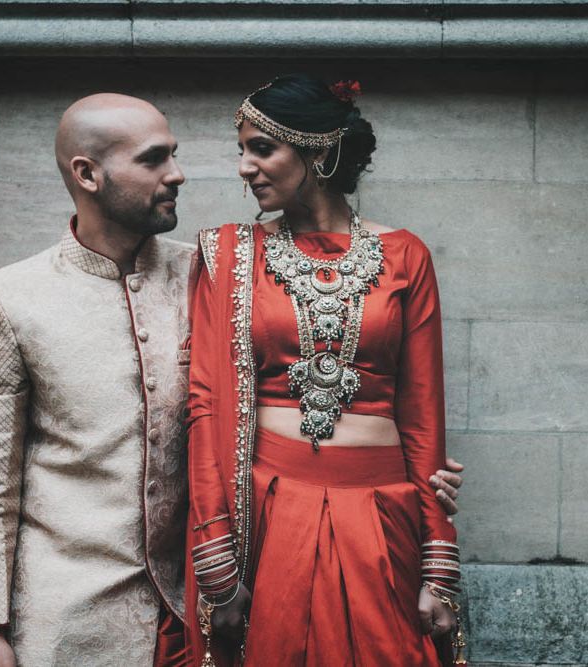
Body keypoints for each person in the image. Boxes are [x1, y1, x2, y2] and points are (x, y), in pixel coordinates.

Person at [185, 75, 464, 666]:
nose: (244, 167)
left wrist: (439, 558)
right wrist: (213, 554)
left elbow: (422, 413)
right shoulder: (232, 255)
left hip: (383, 513)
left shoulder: (406, 254)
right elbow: (206, 404)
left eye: (261, 148)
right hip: (272, 505)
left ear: (317, 149)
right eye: (242, 150)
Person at [0, 93, 192, 667]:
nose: (176, 174)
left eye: (173, 155)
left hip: (198, 618)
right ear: (88, 174)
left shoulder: (205, 273)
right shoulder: (9, 297)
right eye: (153, 159)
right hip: (65, 619)